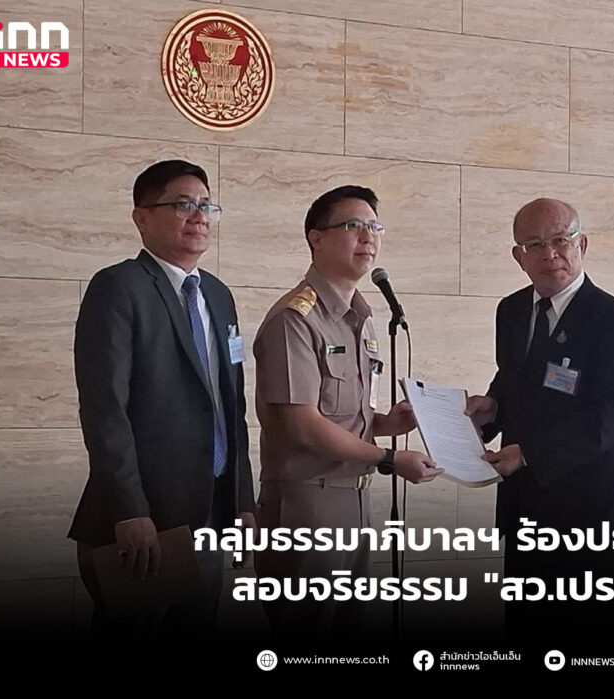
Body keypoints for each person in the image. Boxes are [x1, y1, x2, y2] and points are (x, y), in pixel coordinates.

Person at [69, 159, 255, 643]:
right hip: (145, 515)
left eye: (207, 205)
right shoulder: (119, 287)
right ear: (142, 217)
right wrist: (129, 510)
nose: (199, 216)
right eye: (183, 204)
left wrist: (242, 502)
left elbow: (231, 408)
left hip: (210, 509)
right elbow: (105, 410)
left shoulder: (219, 296)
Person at [252, 185, 441, 647]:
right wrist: (389, 459)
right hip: (305, 505)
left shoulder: (360, 317)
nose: (368, 237)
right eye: (353, 226)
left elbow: (343, 413)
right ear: (316, 238)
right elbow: (302, 423)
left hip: (354, 500)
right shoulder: (295, 319)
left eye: (375, 226)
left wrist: (386, 424)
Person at [466, 197, 614, 645]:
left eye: (561, 240)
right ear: (518, 256)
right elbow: (513, 380)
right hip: (524, 506)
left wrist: (529, 453)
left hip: (587, 512)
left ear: (582, 244)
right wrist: (491, 407)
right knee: (527, 630)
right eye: (534, 244)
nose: (550, 253)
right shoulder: (511, 310)